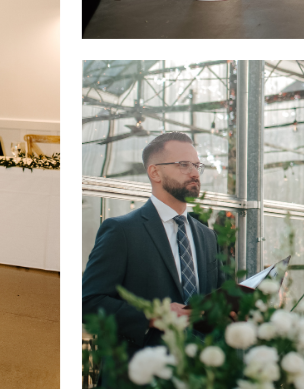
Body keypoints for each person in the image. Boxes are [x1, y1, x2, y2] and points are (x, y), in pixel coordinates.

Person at [79, 132, 222, 354]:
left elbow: (215, 297)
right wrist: (152, 316)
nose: (195, 173)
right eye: (184, 165)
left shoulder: (207, 237)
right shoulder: (121, 231)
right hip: (138, 379)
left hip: (199, 376)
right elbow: (87, 302)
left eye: (197, 165)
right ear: (155, 172)